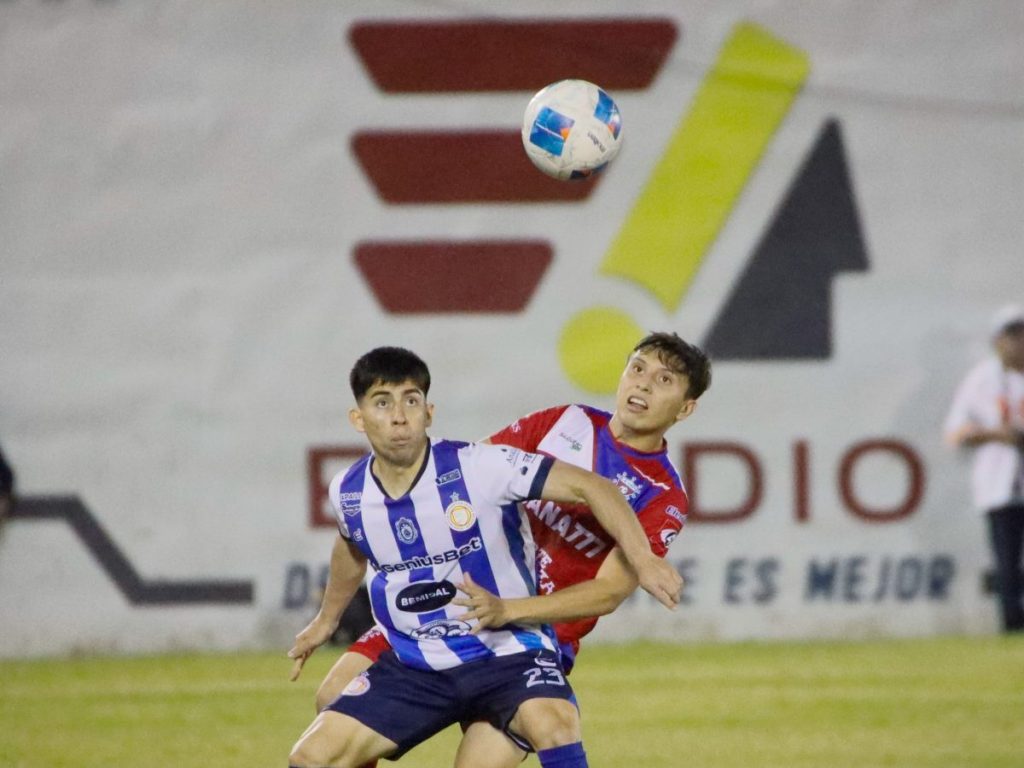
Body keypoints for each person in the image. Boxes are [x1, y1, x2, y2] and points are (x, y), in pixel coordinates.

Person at [298, 332, 711, 768]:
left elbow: (607, 593)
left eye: (664, 379)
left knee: (500, 752)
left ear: (686, 408)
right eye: (638, 368)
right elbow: (461, 479)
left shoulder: (663, 495)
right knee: (331, 695)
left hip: (527, 634)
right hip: (451, 608)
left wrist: (510, 609)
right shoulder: (563, 423)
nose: (643, 384)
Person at [944, 304, 1024, 633]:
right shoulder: (982, 380)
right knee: (1007, 564)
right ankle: (1012, 625)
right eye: (1013, 335)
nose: (1019, 342)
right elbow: (955, 433)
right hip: (999, 486)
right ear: (997, 341)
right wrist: (997, 435)